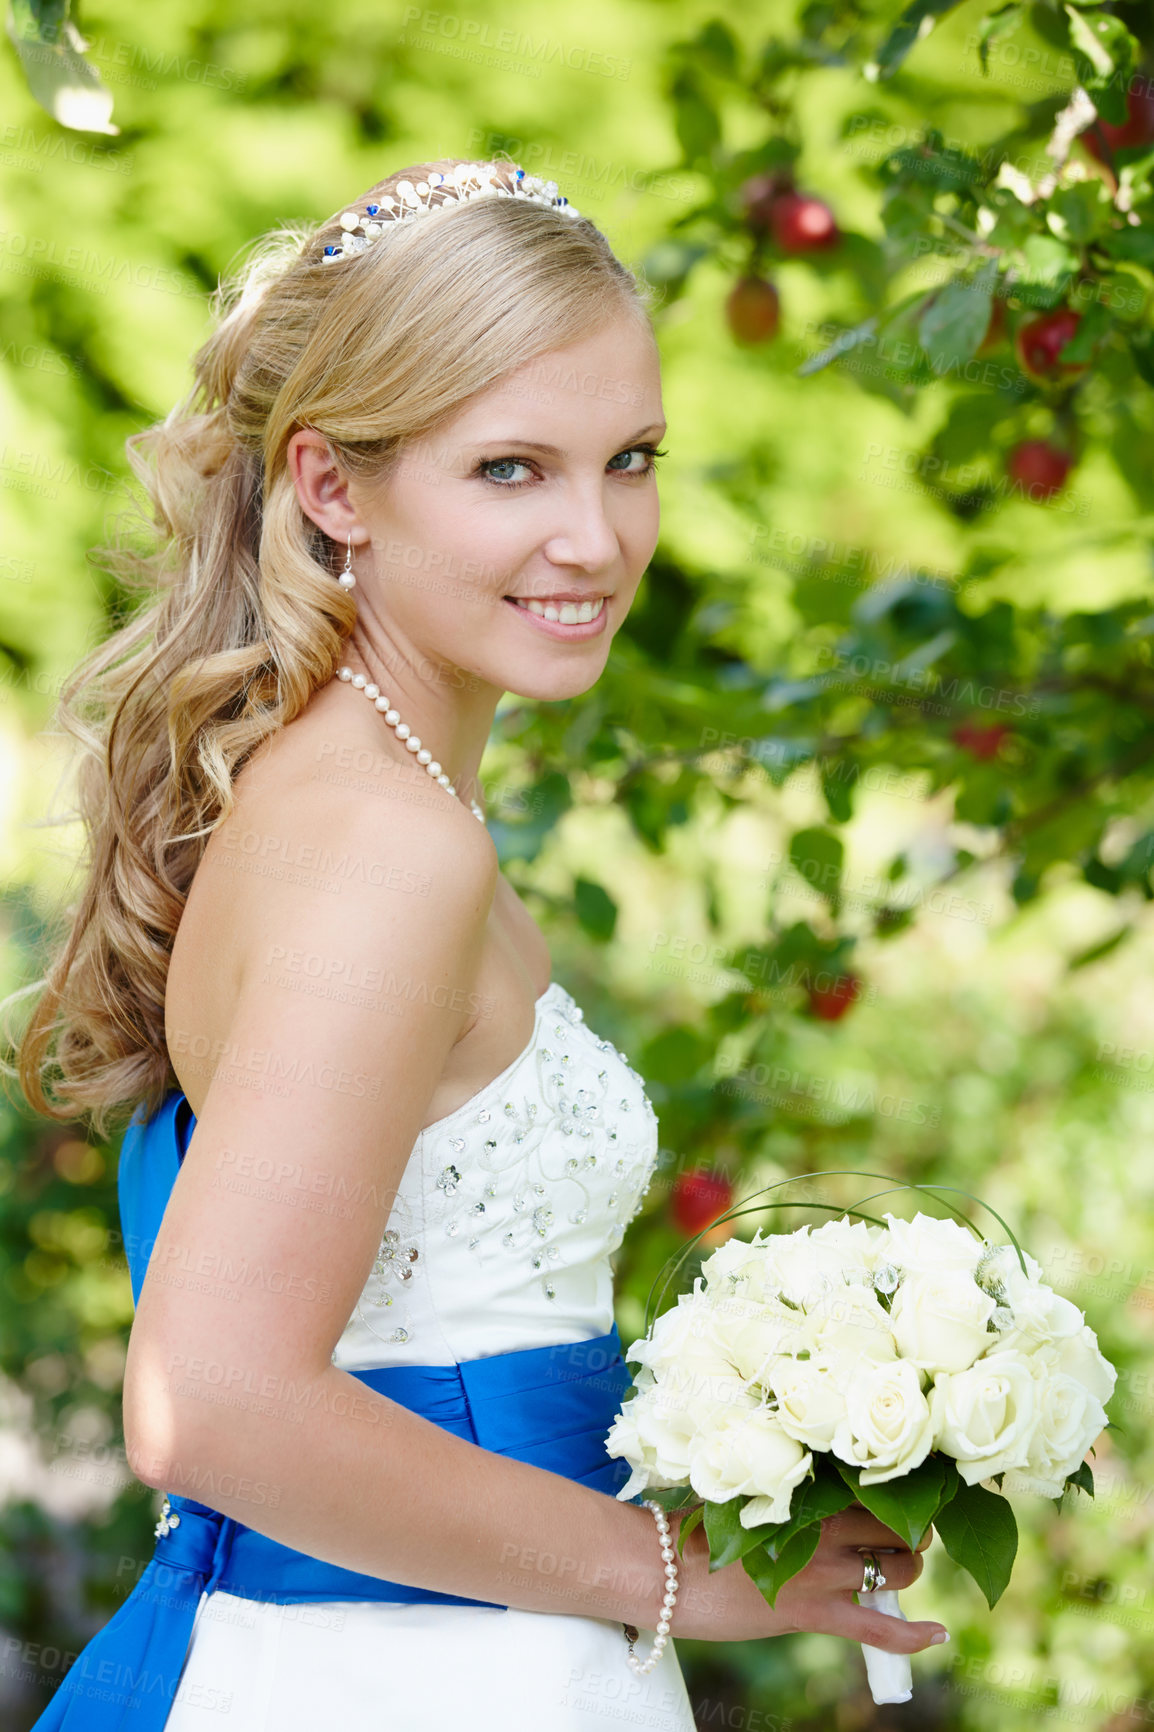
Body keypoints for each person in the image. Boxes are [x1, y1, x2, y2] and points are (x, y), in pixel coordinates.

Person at [11, 157, 947, 1731]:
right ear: (331, 487)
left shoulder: (358, 794)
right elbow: (214, 1404)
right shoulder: (385, 843)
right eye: (510, 470)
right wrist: (658, 1568)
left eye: (629, 459)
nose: (594, 537)